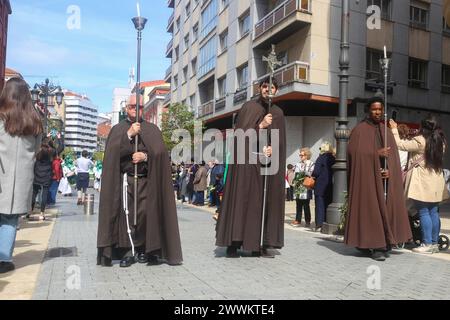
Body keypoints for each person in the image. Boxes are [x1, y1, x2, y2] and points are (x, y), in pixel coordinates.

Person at [97, 95, 183, 268]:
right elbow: (112, 155)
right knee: (126, 216)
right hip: (125, 182)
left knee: (144, 215)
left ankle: (144, 249)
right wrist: (128, 136)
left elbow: (160, 155)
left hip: (146, 181)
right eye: (132, 106)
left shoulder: (152, 129)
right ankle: (127, 251)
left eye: (140, 107)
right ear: (126, 108)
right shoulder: (118, 129)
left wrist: (145, 156)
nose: (136, 110)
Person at [216, 77, 286, 258]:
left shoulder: (277, 113)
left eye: (271, 87)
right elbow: (240, 137)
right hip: (246, 166)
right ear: (260, 88)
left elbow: (279, 142)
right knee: (242, 202)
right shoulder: (249, 107)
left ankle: (261, 243)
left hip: (267, 168)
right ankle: (234, 242)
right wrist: (260, 126)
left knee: (262, 204)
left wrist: (272, 148)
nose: (267, 90)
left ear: (276, 90)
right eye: (264, 87)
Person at [344, 97, 412, 261]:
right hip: (366, 180)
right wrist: (376, 155)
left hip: (384, 182)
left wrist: (391, 172)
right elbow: (355, 155)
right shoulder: (359, 130)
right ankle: (375, 245)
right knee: (370, 211)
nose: (377, 112)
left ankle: (385, 242)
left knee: (385, 210)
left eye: (380, 109)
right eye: (374, 109)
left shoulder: (386, 131)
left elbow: (394, 158)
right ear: (368, 110)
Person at [0, 78, 42, 273]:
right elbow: (36, 150)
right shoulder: (34, 122)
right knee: (10, 219)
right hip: (22, 179)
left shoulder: (1, 117)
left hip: (2, 174)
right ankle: (4, 259)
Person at [391, 117, 449, 254]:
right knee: (433, 212)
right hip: (436, 181)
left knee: (423, 212)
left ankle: (427, 243)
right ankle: (434, 243)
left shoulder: (420, 141)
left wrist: (394, 129)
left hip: (422, 181)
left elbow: (399, 144)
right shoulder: (441, 142)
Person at [312, 142, 335, 232]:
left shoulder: (320, 158)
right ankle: (326, 222)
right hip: (330, 185)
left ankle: (319, 224)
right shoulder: (333, 158)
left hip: (320, 185)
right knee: (328, 204)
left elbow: (316, 172)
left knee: (319, 205)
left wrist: (312, 175)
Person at [291, 148, 315, 227]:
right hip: (299, 186)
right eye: (300, 155)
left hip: (306, 186)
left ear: (307, 155)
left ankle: (307, 220)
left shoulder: (311, 163)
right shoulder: (298, 164)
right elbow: (295, 173)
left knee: (306, 204)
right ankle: (298, 219)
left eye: (302, 155)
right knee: (298, 204)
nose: (300, 156)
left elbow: (312, 173)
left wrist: (305, 172)